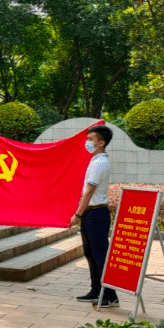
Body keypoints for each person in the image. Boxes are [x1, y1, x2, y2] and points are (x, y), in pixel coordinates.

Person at [69, 124, 119, 308]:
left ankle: (110, 295)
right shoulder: (94, 160)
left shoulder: (100, 163)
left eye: (91, 139)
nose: (87, 142)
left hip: (96, 213)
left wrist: (77, 214)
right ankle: (96, 290)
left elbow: (89, 191)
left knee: (100, 254)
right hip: (91, 213)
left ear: (101, 143)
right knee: (90, 253)